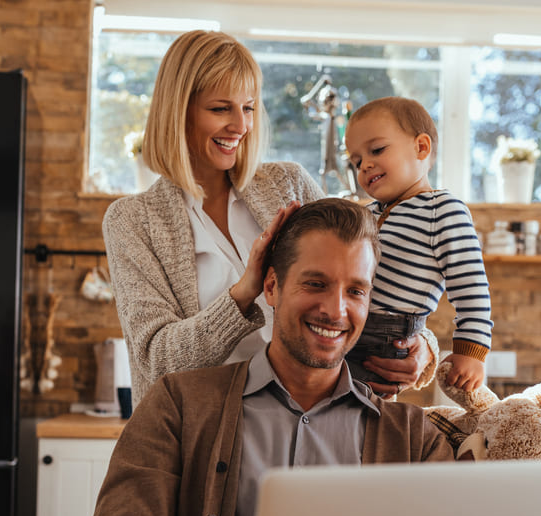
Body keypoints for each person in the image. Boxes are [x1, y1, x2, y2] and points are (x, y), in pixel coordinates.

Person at [81, 198, 455, 516]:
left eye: (356, 291)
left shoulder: (415, 438)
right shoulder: (179, 405)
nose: (336, 310)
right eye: (315, 284)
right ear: (272, 287)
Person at [102, 31, 436, 406]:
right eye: (219, 109)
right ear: (178, 110)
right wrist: (245, 291)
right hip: (205, 434)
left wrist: (421, 344)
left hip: (313, 421)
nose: (240, 126)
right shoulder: (133, 221)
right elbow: (157, 360)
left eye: (247, 108)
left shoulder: (288, 183)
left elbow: (369, 284)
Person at [344, 96, 493, 392]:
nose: (365, 166)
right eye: (357, 161)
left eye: (377, 150)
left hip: (385, 335)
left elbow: (471, 287)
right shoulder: (366, 213)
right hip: (349, 323)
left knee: (356, 412)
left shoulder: (443, 210)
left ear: (421, 147)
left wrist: (470, 351)